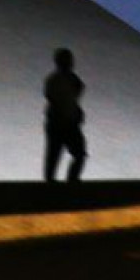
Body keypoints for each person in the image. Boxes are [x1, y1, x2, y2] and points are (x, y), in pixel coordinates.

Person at [44, 48, 87, 182]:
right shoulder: (57, 80)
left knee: (60, 154)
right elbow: (57, 99)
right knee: (56, 154)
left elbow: (70, 98)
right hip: (61, 122)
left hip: (66, 122)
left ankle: (66, 181)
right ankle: (63, 182)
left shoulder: (66, 79)